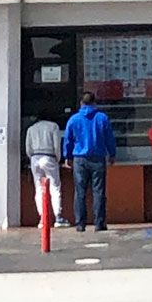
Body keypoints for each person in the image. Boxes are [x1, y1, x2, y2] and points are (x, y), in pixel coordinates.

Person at [62, 92, 117, 232]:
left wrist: (67, 156)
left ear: (81, 103)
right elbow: (109, 138)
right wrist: (112, 154)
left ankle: (80, 224)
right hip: (98, 158)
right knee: (98, 192)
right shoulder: (102, 118)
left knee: (80, 192)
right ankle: (99, 223)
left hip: (79, 159)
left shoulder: (74, 120)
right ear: (94, 103)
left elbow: (68, 140)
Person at [24, 111, 67, 228]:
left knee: (39, 188)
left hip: (35, 158)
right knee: (55, 187)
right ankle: (58, 217)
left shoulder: (31, 129)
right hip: (49, 157)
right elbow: (57, 146)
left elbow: (28, 148)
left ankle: (42, 219)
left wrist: (32, 158)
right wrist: (58, 159)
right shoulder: (53, 126)